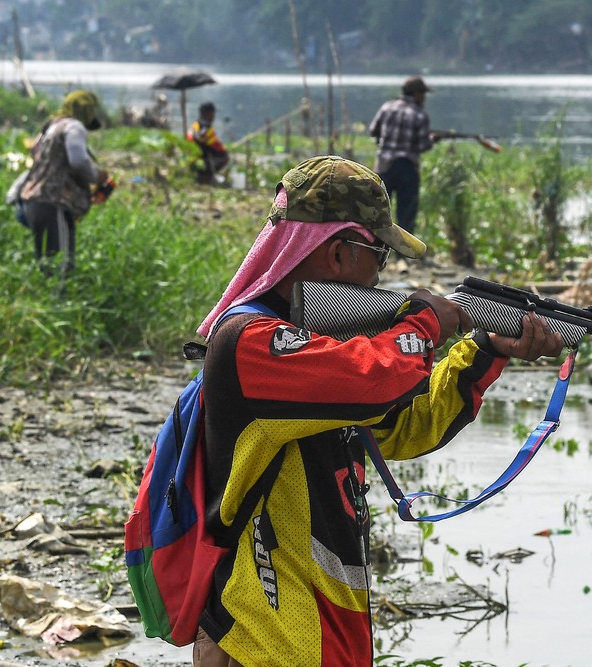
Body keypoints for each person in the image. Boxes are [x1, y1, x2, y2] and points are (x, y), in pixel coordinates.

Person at [191, 155, 563, 667]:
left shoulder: (321, 346)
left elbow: (405, 426)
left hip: (320, 635)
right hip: (265, 641)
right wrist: (427, 322)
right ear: (340, 254)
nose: (381, 272)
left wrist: (485, 348)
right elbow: (372, 380)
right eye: (379, 254)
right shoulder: (249, 344)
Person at [19, 89, 108, 277]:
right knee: (62, 265)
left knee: (45, 264)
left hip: (34, 200)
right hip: (54, 203)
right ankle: (58, 301)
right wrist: (96, 176)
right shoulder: (74, 127)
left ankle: (41, 301)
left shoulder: (51, 126)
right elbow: (78, 161)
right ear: (87, 110)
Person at [367, 76, 440, 235]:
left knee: (380, 211)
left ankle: (376, 252)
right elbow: (422, 145)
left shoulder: (386, 107)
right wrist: (432, 139)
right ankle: (404, 255)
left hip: (384, 166)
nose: (424, 98)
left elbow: (373, 131)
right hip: (406, 167)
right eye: (423, 94)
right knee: (406, 211)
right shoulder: (419, 114)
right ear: (416, 94)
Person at [188, 101, 230, 184]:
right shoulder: (206, 128)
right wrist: (225, 149)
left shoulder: (195, 125)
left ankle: (204, 177)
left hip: (192, 159)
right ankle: (205, 177)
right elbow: (217, 146)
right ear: (208, 113)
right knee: (225, 156)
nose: (214, 115)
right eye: (213, 113)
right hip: (200, 161)